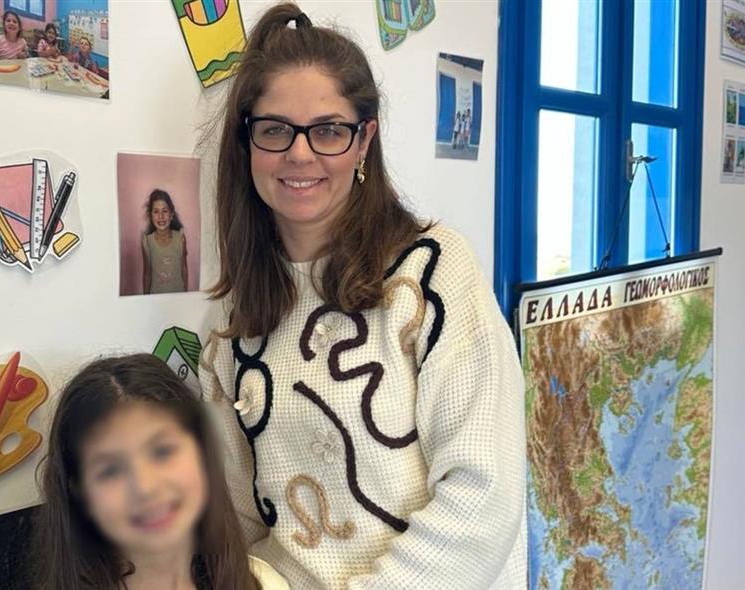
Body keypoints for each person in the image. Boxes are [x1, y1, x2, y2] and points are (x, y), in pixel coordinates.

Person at [199, 3, 526, 589]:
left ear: (364, 140)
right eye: (274, 129)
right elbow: (242, 522)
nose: (300, 154)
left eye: (328, 130)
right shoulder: (233, 321)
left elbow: (484, 497)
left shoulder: (433, 273)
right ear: (247, 141)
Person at [33, 353, 290, 590]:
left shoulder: (262, 582)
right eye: (111, 470)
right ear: (79, 492)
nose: (145, 487)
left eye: (162, 452)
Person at [142, 189, 188, 294]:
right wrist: (145, 299)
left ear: (171, 215)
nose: (161, 216)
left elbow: (184, 268)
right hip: (156, 298)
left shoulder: (180, 239)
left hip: (178, 296)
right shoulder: (147, 242)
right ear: (151, 216)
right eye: (156, 211)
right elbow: (147, 274)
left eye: (165, 211)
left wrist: (186, 294)